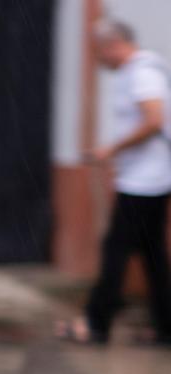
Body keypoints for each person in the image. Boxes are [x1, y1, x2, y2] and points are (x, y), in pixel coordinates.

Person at [56, 19, 171, 347]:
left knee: (116, 251)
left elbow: (153, 120)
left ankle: (97, 323)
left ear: (112, 45)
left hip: (145, 182)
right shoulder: (141, 71)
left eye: (98, 52)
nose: (98, 60)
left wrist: (111, 149)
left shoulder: (143, 73)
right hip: (149, 179)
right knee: (153, 257)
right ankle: (165, 326)